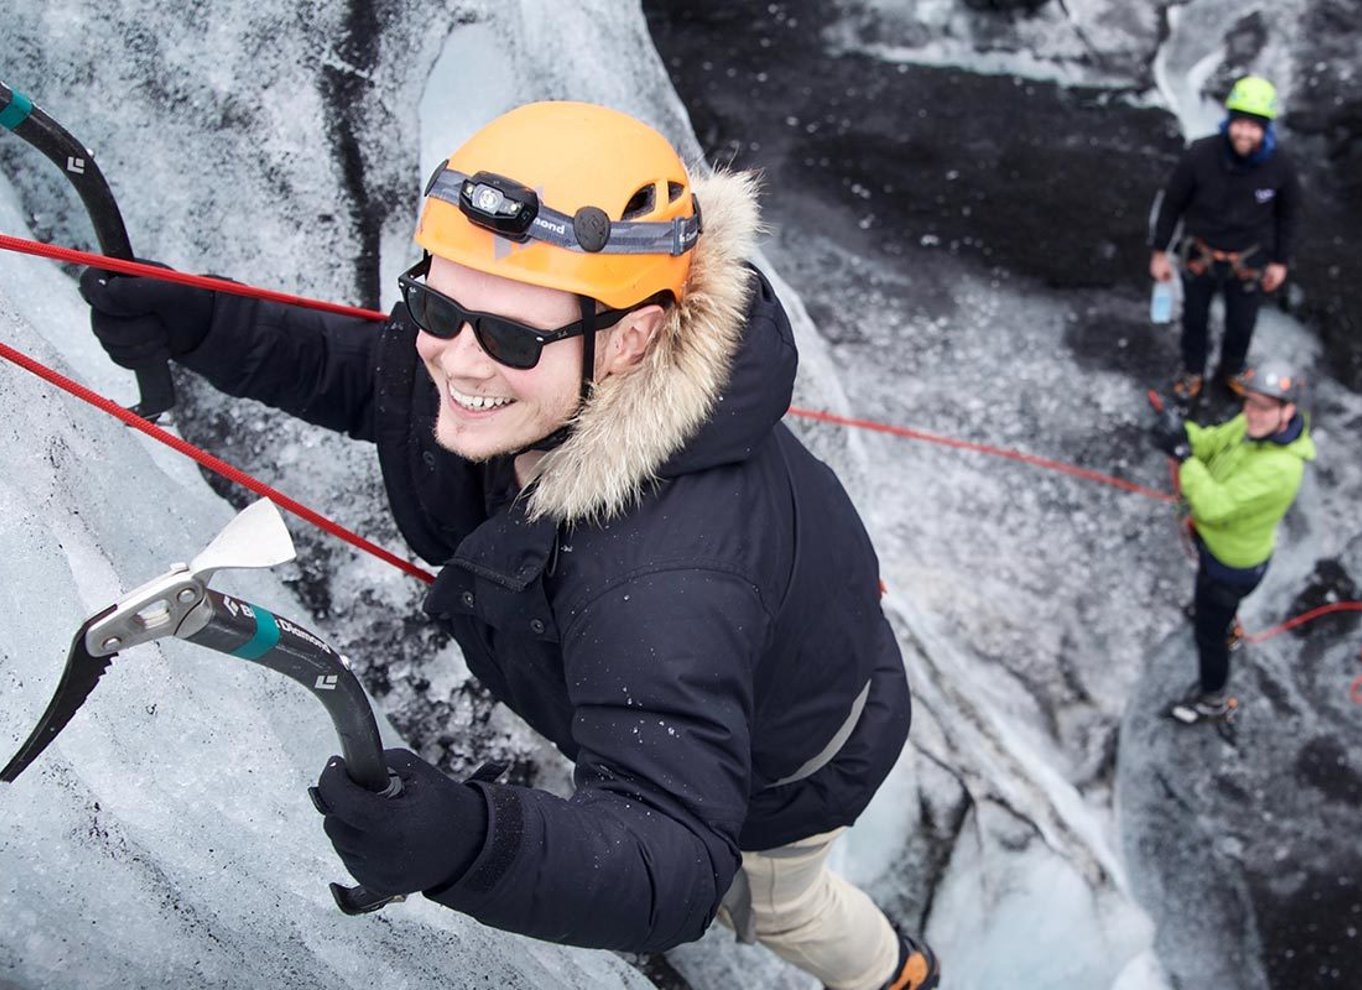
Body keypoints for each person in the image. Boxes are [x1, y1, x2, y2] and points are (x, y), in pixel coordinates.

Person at [78, 101, 939, 990]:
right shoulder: (521, 371)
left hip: (793, 761)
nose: (455, 358)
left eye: (511, 335)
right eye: (435, 304)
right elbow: (379, 384)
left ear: (632, 338)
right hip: (725, 664)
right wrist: (203, 324)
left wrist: (474, 844)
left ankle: (898, 973)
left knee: (779, 906)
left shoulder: (665, 575)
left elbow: (676, 855)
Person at [1148, 358, 1315, 722]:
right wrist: (1181, 432)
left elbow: (1213, 506)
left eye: (1265, 407)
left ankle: (1212, 699)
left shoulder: (1281, 469)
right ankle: (1225, 623)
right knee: (1210, 607)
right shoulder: (1253, 426)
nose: (1252, 413)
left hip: (1231, 567)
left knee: (1208, 638)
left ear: (1287, 412)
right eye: (1250, 403)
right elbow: (1210, 444)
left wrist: (1182, 455)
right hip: (1220, 553)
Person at [1149, 76, 1302, 403]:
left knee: (1241, 324)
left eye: (1254, 126)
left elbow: (1288, 215)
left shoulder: (1280, 168)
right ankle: (1193, 371)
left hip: (1248, 261)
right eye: (1240, 123)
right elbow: (1172, 202)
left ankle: (1231, 371)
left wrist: (1280, 261)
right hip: (1199, 255)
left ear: (1265, 129)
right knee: (1194, 319)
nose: (1245, 133)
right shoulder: (1200, 156)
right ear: (1229, 121)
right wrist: (1160, 251)